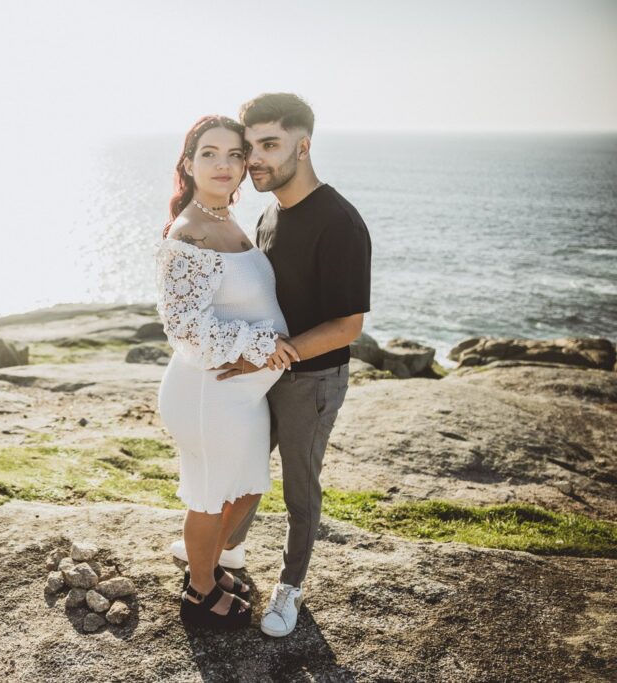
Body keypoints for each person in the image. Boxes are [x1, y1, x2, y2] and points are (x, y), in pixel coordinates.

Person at [210, 93, 372, 638]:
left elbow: (350, 325)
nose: (253, 159)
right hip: (269, 370)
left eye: (269, 145)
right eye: (249, 146)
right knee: (244, 467)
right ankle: (228, 554)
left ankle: (290, 586)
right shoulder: (270, 211)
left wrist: (283, 353)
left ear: (303, 145)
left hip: (313, 378)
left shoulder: (341, 222)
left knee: (298, 487)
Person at [154, 115, 300, 629]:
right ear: (188, 164)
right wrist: (264, 345)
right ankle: (199, 593)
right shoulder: (189, 233)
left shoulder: (228, 219)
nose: (223, 164)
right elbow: (185, 329)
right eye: (209, 153)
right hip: (206, 391)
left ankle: (208, 565)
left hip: (240, 393)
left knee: (248, 487)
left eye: (234, 154)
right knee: (213, 494)